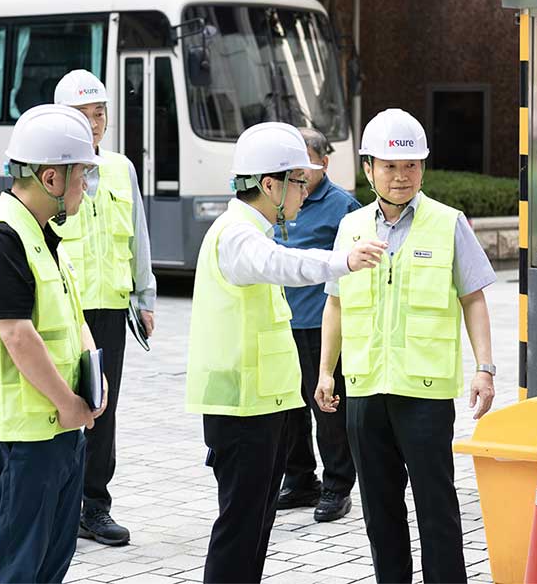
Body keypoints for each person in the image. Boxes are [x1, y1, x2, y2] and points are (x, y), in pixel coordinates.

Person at [185, 122, 387, 584]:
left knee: (255, 526)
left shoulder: (254, 229)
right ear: (269, 185)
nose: (303, 190)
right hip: (240, 411)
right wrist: (343, 261)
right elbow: (283, 264)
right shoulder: (237, 234)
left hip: (260, 406)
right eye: (297, 181)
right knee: (239, 528)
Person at [316, 108, 498, 584]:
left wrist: (486, 368)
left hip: (425, 394)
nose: (401, 176)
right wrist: (325, 372)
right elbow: (334, 305)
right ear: (369, 169)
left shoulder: (448, 222)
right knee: (380, 511)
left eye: (411, 165)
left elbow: (473, 298)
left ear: (423, 167)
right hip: (366, 388)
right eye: (391, 166)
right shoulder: (351, 228)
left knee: (437, 508)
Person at [0, 104, 108, 584]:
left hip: (57, 424)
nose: (86, 183)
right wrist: (68, 404)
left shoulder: (43, 236)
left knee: (50, 561)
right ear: (50, 178)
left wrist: (89, 395)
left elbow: (72, 321)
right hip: (18, 433)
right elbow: (17, 336)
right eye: (81, 173)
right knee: (20, 566)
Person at [52, 69, 156, 546]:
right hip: (62, 311)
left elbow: (138, 236)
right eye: (82, 114)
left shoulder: (120, 169)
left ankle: (95, 507)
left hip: (110, 310)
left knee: (102, 408)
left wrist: (145, 296)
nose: (93, 123)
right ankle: (59, 504)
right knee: (58, 406)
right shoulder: (49, 169)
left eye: (99, 114)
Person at [274, 128, 361, 522]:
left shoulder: (342, 206)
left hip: (319, 324)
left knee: (326, 407)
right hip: (280, 321)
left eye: (305, 163)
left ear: (324, 164)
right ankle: (299, 479)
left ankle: (337, 485)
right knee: (289, 408)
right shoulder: (278, 198)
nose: (298, 170)